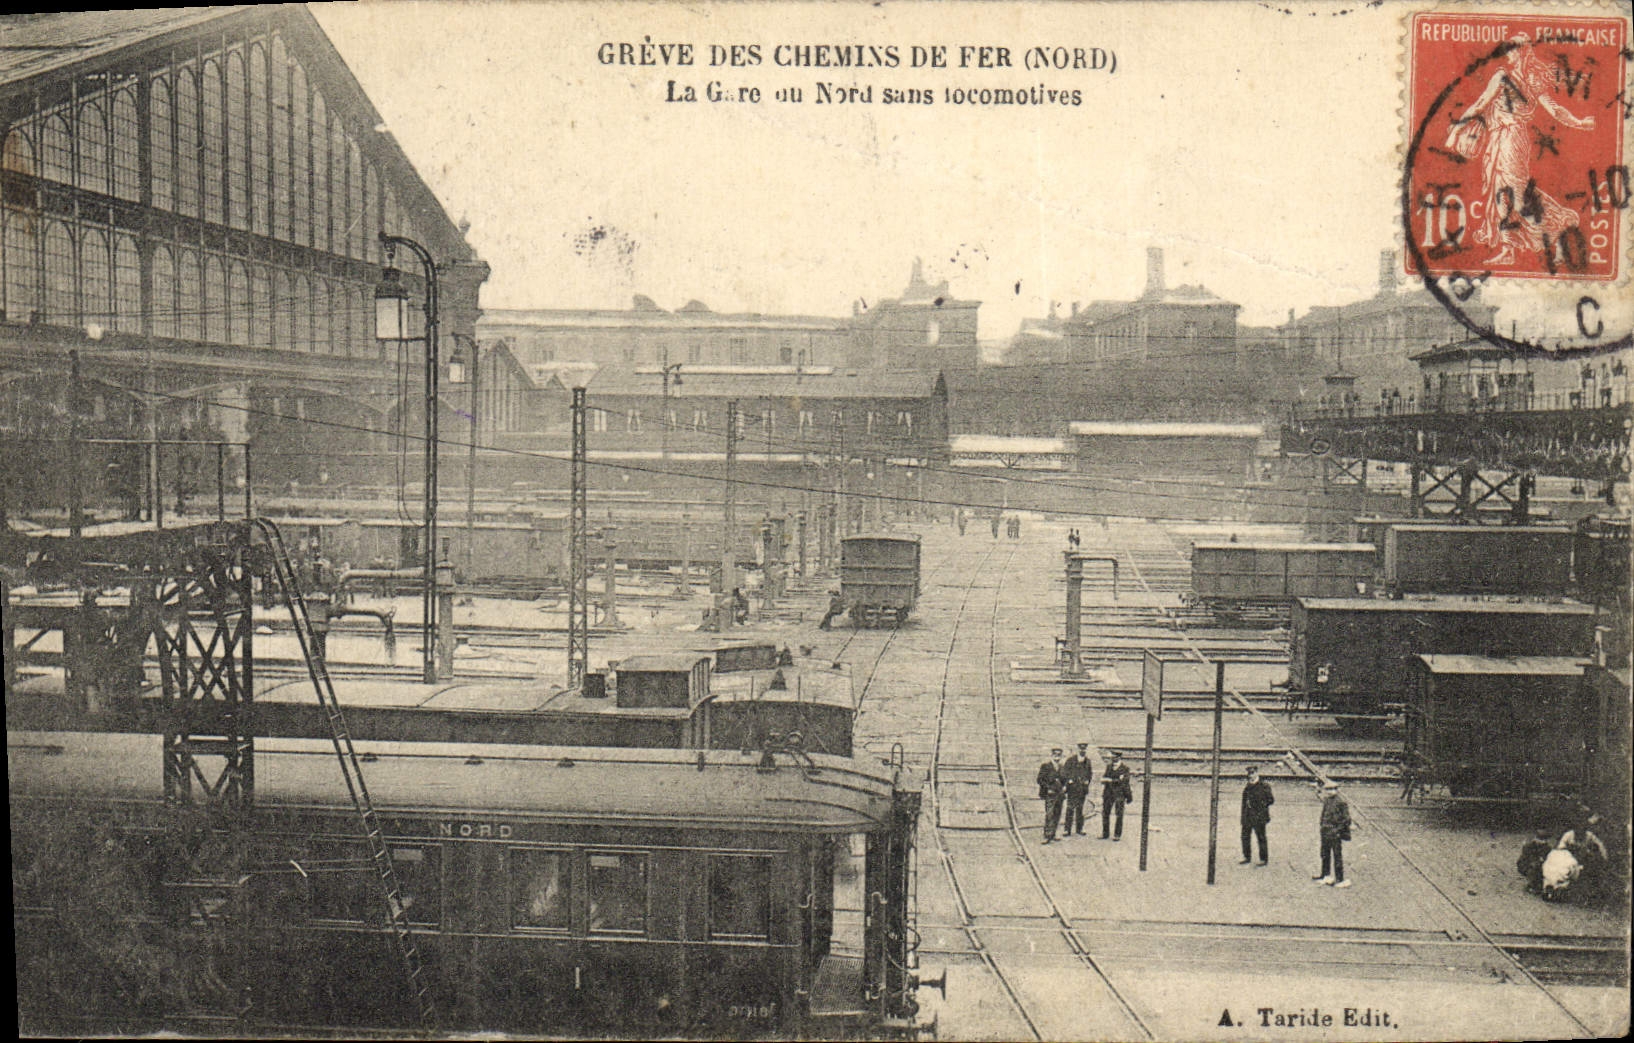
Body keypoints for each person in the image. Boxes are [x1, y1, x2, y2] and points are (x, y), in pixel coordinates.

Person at [1450, 34, 1596, 268]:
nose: (1507, 54)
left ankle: (1559, 231)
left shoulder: (1530, 79)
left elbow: (1554, 109)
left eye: (1511, 50)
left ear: (1522, 51)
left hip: (1513, 139)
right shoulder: (1503, 76)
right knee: (1501, 194)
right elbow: (1481, 104)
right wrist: (1458, 128)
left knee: (1517, 197)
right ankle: (1508, 249)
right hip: (1497, 139)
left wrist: (1579, 123)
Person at [1314, 780, 1352, 888]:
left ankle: (1340, 879)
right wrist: (1322, 825)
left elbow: (1347, 819)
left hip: (1335, 833)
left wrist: (1338, 830)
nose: (1330, 792)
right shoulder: (1327, 800)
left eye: (1332, 789)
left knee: (1337, 856)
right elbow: (1323, 814)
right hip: (1325, 831)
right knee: (1325, 854)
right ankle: (1325, 875)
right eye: (1328, 789)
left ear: (1337, 790)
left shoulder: (1341, 802)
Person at [1239, 766, 1275, 866]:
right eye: (1249, 774)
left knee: (1261, 837)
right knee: (1245, 836)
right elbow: (1244, 803)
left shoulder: (1264, 786)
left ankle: (1263, 859)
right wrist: (1243, 817)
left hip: (1259, 817)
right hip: (1248, 816)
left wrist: (1260, 806)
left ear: (1257, 773)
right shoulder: (1247, 786)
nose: (1251, 775)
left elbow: (1271, 800)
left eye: (1253, 773)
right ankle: (1247, 856)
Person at [1036, 747, 1068, 844]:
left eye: (1059, 755)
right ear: (1052, 755)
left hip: (1060, 794)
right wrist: (1048, 788)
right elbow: (1040, 780)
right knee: (1049, 814)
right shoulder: (1046, 766)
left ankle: (1053, 834)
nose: (1057, 756)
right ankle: (1047, 835)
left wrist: (1065, 787)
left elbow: (1066, 779)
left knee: (1057, 814)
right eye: (1055, 754)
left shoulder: (1062, 767)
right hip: (1050, 794)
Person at [1062, 742, 1094, 836]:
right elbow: (1065, 772)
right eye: (1081, 749)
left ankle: (1079, 829)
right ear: (1078, 750)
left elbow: (1090, 773)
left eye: (1084, 749)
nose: (1082, 751)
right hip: (1072, 789)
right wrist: (1069, 781)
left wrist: (1087, 781)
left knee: (1080, 809)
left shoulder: (1088, 761)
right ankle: (1067, 829)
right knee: (1070, 808)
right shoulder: (1071, 760)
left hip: (1082, 789)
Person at [1101, 751, 1132, 840]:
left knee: (1119, 814)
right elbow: (1104, 778)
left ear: (1118, 757)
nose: (1112, 759)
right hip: (1108, 793)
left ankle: (1117, 835)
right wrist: (1115, 779)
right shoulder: (1109, 767)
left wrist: (1110, 780)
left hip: (1119, 794)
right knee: (1105, 813)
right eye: (1112, 757)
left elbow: (1124, 781)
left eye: (1114, 757)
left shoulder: (1125, 768)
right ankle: (1105, 833)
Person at [1517, 827, 1554, 894]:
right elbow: (1524, 859)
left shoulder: (1548, 848)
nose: (1542, 842)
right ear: (1535, 838)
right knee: (1534, 868)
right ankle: (1532, 885)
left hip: (1541, 866)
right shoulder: (1528, 846)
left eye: (1544, 840)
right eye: (1540, 839)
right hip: (1527, 865)